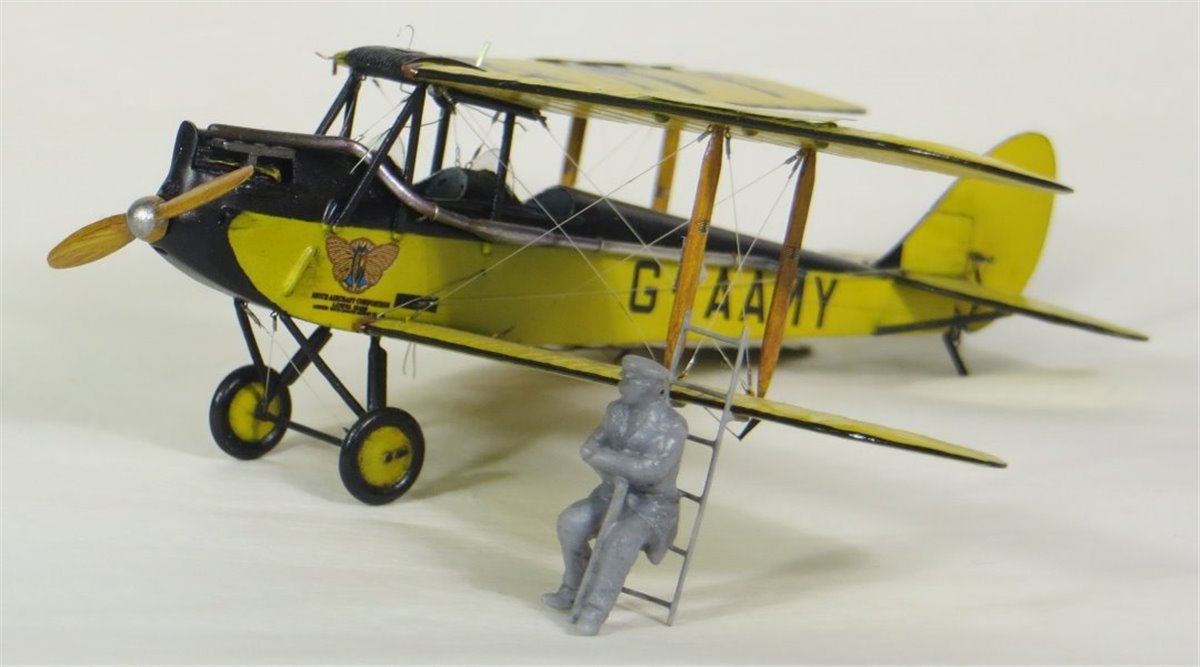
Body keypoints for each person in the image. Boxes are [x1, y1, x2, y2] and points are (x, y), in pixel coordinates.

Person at [542, 355, 688, 635]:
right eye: (624, 378)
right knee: (571, 521)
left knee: (619, 541)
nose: (624, 384)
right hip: (609, 495)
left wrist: (605, 458)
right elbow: (588, 448)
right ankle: (573, 588)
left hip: (651, 506)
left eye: (633, 380)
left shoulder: (672, 426)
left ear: (655, 387)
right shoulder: (615, 411)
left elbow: (650, 472)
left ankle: (594, 610)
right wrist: (617, 462)